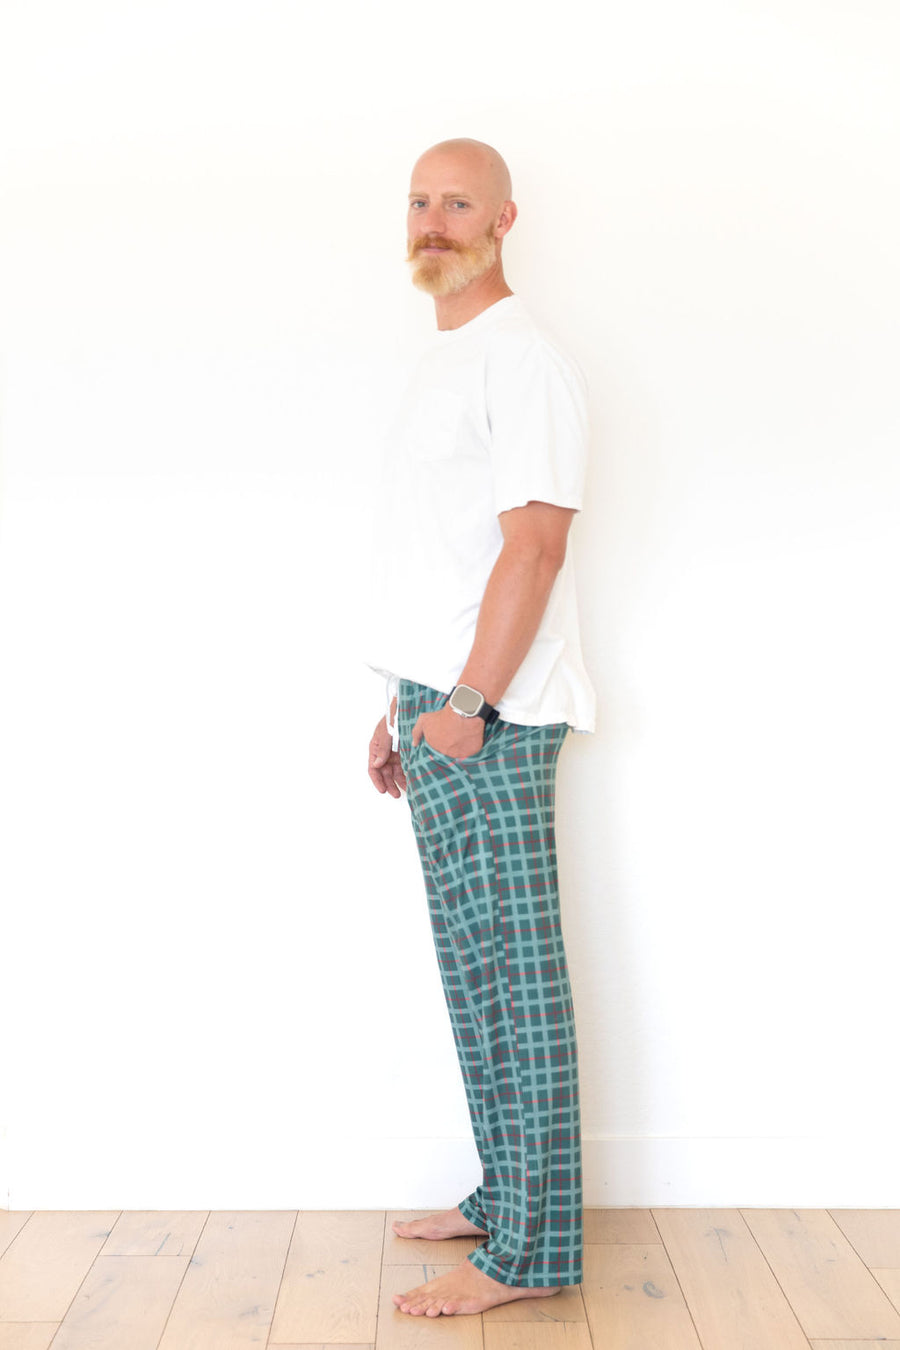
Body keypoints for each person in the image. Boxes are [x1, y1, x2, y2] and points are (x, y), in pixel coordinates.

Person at [367, 138, 595, 1318]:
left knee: (517, 976)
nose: (434, 220)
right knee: (474, 971)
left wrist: (465, 702)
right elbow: (445, 556)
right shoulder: (447, 358)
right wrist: (399, 701)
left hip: (491, 714)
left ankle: (531, 1253)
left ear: (505, 217)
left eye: (458, 202)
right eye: (420, 200)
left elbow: (534, 549)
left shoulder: (523, 356)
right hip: (441, 702)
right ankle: (506, 1196)